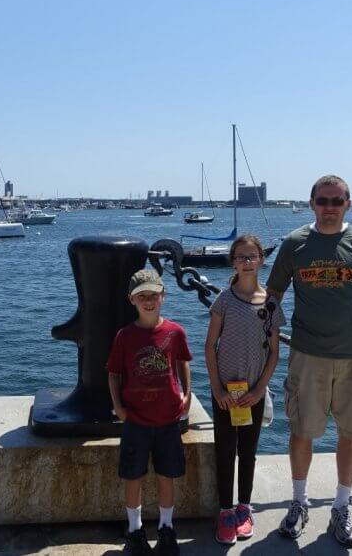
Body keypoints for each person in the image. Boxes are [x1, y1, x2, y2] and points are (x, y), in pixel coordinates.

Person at [267, 175, 352, 547]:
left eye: (337, 201)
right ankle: (299, 502)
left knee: (351, 434)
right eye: (323, 201)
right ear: (311, 203)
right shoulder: (294, 244)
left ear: (348, 204)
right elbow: (273, 293)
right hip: (307, 356)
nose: (329, 208)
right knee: (301, 430)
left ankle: (341, 506)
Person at [204, 234, 284, 545]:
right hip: (226, 392)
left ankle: (243, 507)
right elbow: (210, 346)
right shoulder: (224, 300)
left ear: (262, 259)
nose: (247, 262)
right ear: (233, 261)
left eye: (252, 257)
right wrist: (217, 388)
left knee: (248, 452)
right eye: (241, 257)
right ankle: (225, 511)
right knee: (225, 451)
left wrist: (261, 388)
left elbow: (274, 352)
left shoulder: (271, 304)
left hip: (253, 392)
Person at [107, 268, 193, 556]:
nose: (148, 301)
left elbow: (183, 363)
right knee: (134, 477)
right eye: (141, 296)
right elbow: (114, 374)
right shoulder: (124, 336)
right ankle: (134, 530)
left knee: (166, 475)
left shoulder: (175, 332)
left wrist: (187, 395)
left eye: (153, 295)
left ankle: (167, 529)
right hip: (136, 421)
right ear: (132, 300)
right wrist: (119, 407)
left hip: (168, 419)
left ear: (163, 297)